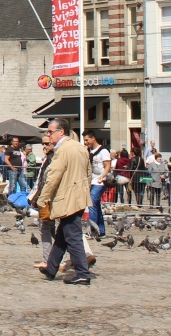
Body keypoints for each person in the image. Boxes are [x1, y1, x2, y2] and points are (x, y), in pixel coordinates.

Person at [35, 119, 92, 286]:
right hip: (79, 196)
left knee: (73, 236)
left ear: (61, 132)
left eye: (50, 132)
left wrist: (42, 198)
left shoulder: (62, 150)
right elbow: (88, 173)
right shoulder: (79, 147)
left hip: (67, 197)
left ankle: (82, 273)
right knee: (62, 234)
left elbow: (53, 176)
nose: (48, 135)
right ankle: (51, 267)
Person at [84, 131, 110, 238]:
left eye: (87, 140)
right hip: (92, 181)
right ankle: (101, 231)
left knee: (92, 203)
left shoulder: (103, 151)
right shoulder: (89, 151)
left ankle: (93, 230)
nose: (85, 142)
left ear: (93, 138)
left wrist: (102, 176)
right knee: (96, 206)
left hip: (100, 182)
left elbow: (107, 166)